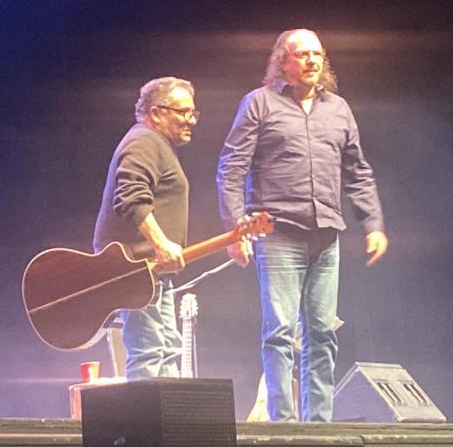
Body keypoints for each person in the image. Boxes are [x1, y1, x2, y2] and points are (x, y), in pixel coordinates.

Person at [217, 29, 388, 422]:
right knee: (279, 332)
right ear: (283, 62)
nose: (311, 60)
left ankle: (319, 425)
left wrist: (373, 223)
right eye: (301, 54)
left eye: (317, 54)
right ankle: (284, 424)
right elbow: (231, 167)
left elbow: (358, 171)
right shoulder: (259, 104)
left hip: (327, 234)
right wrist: (234, 229)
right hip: (277, 233)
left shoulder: (339, 109)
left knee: (322, 334)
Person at [93, 76, 200, 379]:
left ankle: (168, 423)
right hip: (138, 266)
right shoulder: (144, 140)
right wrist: (161, 243)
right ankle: (146, 426)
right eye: (183, 112)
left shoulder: (155, 143)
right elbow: (130, 197)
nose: (190, 120)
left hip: (153, 270)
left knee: (166, 349)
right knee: (149, 351)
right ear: (156, 113)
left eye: (193, 113)